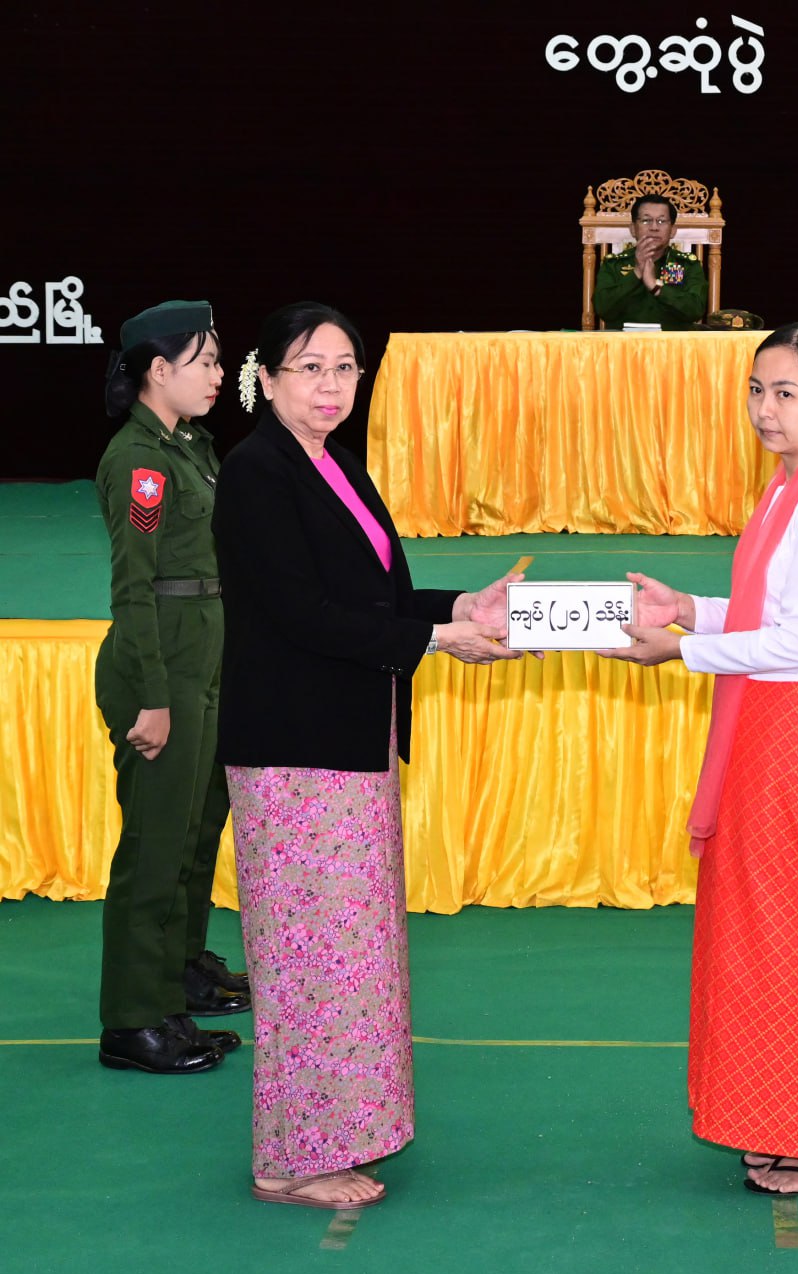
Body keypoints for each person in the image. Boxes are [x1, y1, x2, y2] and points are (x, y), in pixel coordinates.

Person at [212, 300, 523, 1210]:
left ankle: (335, 1138)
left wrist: (461, 607)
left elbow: (374, 597)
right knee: (308, 964)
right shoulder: (257, 472)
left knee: (350, 957)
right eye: (309, 367)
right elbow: (302, 615)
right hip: (295, 752)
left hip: (349, 741)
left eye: (345, 367)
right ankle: (290, 1159)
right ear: (266, 378)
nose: (331, 385)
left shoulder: (335, 464)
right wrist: (435, 640)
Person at [600, 321, 798, 1195]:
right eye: (757, 391)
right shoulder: (789, 489)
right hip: (773, 728)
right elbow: (771, 614)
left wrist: (679, 649)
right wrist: (688, 608)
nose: (766, 409)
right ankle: (786, 1125)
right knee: (768, 937)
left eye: (787, 392)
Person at [96, 300, 251, 1077]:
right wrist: (153, 698)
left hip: (199, 656)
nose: (220, 374)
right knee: (155, 849)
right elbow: (134, 590)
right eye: (206, 361)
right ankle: (133, 1022)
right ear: (159, 370)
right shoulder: (139, 461)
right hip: (159, 665)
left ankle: (171, 992)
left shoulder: (187, 445)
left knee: (191, 834)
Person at [593, 194, 708, 330]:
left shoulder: (687, 264)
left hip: (673, 341)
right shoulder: (614, 264)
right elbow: (602, 309)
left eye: (661, 221)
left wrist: (655, 287)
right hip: (624, 341)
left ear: (672, 230)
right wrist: (636, 273)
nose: (654, 227)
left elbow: (696, 310)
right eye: (646, 220)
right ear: (633, 229)